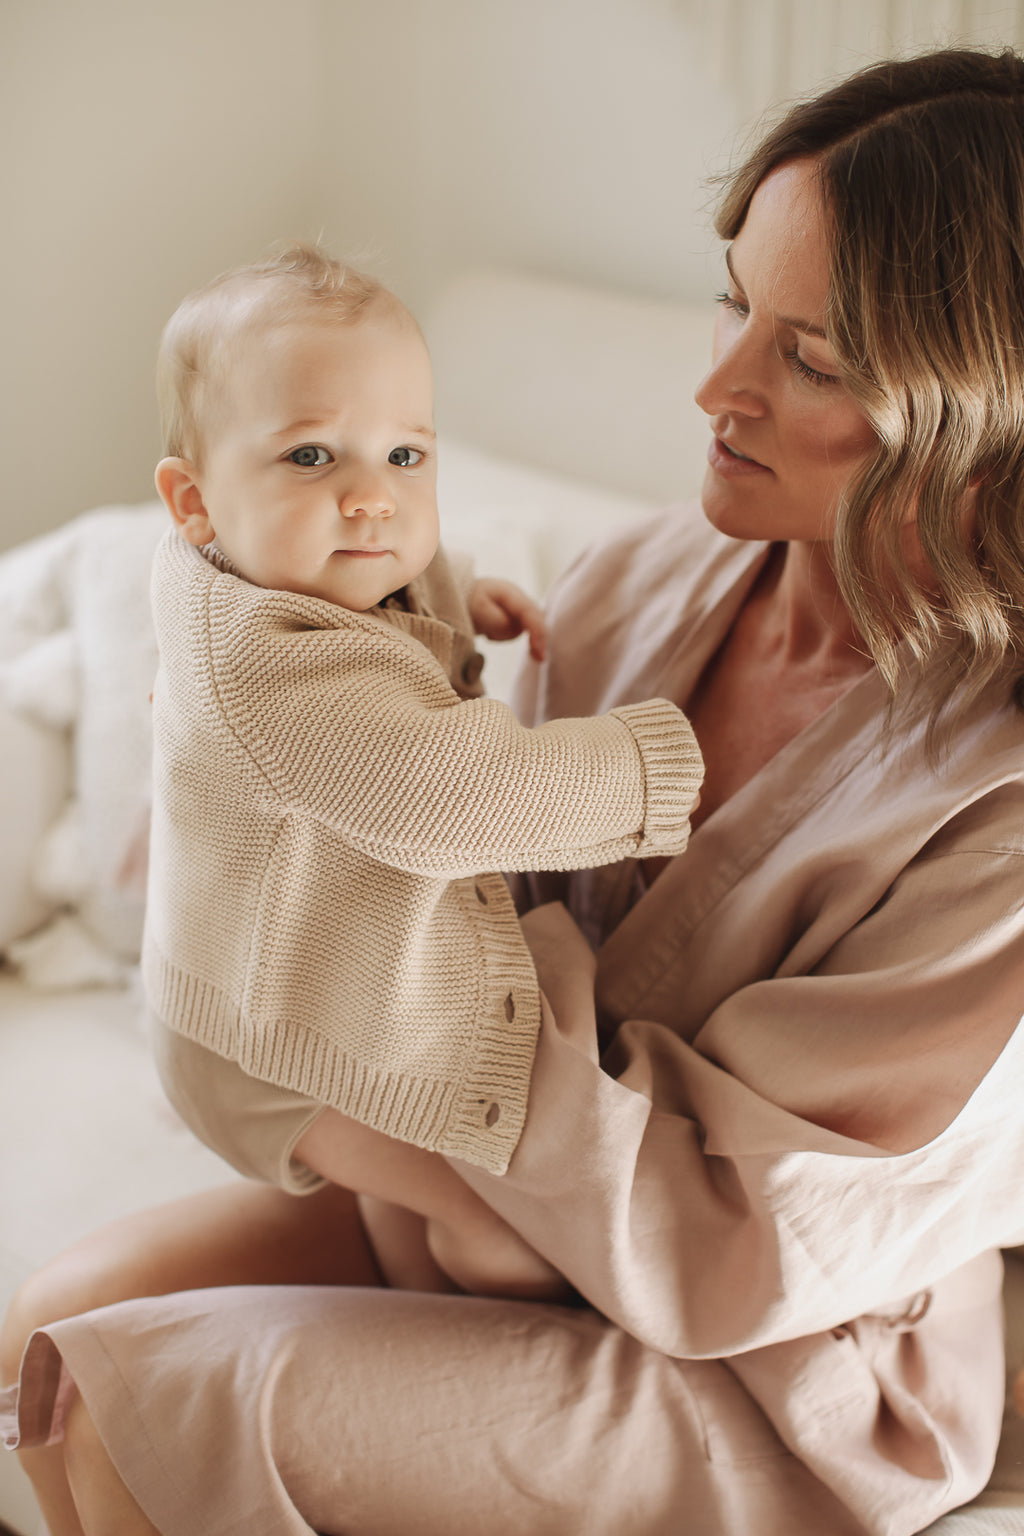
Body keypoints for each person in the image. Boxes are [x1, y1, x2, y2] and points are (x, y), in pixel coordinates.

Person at [5, 42, 1024, 1536]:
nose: (713, 386)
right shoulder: (645, 576)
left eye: (806, 359)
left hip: (776, 1361)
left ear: (978, 418)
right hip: (489, 1203)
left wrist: (331, 956)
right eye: (736, 301)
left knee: (143, 1396)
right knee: (54, 1325)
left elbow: (749, 1240)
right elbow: (452, 854)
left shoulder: (993, 804)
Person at [144, 243, 702, 1302]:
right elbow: (452, 795)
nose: (371, 502)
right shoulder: (264, 664)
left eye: (406, 456)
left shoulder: (285, 566)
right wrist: (657, 765)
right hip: (274, 1042)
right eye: (312, 458)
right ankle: (466, 1356)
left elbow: (382, 592)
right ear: (194, 501)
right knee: (498, 1228)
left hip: (289, 985)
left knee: (413, 1205)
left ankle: (400, 1307)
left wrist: (462, 594)